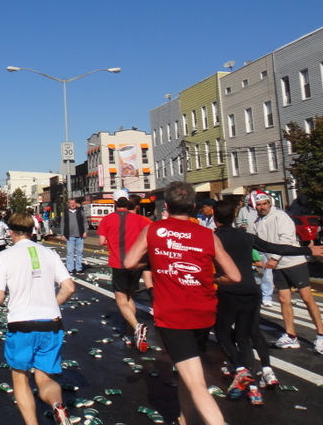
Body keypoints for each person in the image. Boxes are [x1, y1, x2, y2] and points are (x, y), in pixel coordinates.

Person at [124, 181, 241, 425]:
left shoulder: (154, 230)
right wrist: (211, 277)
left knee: (196, 382)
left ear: (166, 205)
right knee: (189, 375)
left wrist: (156, 263)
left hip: (174, 315)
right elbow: (234, 276)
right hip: (204, 312)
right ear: (194, 206)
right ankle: (184, 419)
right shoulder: (207, 234)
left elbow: (129, 263)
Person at [211, 200, 323, 403]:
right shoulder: (246, 237)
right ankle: (254, 387)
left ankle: (241, 370)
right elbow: (276, 247)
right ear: (234, 216)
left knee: (223, 333)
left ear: (214, 218)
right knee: (245, 337)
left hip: (228, 291)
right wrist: (308, 251)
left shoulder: (213, 238)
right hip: (251, 291)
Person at [0, 212, 75, 425]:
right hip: (51, 322)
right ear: (32, 230)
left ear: (11, 232)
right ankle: (57, 405)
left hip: (21, 324)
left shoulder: (5, 256)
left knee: (20, 377)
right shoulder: (49, 253)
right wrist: (55, 302)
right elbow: (69, 287)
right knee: (46, 378)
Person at [250, 191, 323, 353]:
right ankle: (291, 335)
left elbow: (287, 239)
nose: (262, 207)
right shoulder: (257, 222)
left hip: (294, 262)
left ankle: (321, 335)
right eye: (259, 205)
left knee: (307, 298)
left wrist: (274, 258)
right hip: (277, 267)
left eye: (265, 204)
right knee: (284, 299)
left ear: (270, 203)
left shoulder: (280, 216)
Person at [97, 189, 151, 351]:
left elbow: (100, 242)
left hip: (118, 262)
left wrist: (113, 241)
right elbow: (149, 235)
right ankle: (131, 331)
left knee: (121, 300)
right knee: (130, 297)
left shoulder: (107, 219)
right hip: (135, 263)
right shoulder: (139, 219)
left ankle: (136, 327)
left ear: (114, 203)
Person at [60, 198, 87, 275]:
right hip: (69, 236)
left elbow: (85, 222)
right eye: (71, 203)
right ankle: (70, 269)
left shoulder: (80, 212)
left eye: (74, 203)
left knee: (79, 252)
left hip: (80, 235)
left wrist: (85, 231)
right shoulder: (65, 213)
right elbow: (63, 224)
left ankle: (79, 268)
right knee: (70, 253)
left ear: (76, 204)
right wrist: (63, 234)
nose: (72, 205)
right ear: (68, 204)